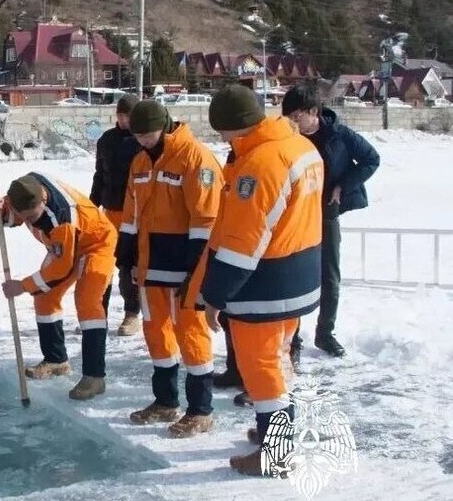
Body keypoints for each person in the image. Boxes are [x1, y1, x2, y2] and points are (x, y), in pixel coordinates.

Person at [192, 84, 324, 475]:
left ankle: (276, 453)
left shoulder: (260, 165)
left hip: (265, 285)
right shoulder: (299, 146)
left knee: (260, 368)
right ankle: (278, 432)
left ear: (234, 125)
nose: (221, 139)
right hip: (297, 276)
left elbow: (243, 242)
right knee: (278, 359)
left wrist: (214, 295)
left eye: (221, 130)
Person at [117, 100, 222, 438]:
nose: (143, 141)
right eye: (138, 137)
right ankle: (165, 401)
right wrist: (126, 255)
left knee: (190, 334)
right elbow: (131, 212)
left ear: (164, 127)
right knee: (156, 332)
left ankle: (201, 410)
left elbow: (206, 219)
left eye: (147, 135)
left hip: (184, 268)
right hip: (150, 267)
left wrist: (196, 269)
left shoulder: (195, 158)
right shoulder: (139, 161)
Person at [0, 173, 113, 400]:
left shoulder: (61, 215)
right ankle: (56, 360)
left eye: (32, 217)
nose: (29, 221)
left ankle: (94, 376)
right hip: (62, 247)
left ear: (43, 200)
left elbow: (61, 268)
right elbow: (11, 217)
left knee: (87, 302)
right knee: (44, 296)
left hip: (95, 243)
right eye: (24, 217)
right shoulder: (21, 192)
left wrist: (23, 285)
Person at [282, 83, 379, 358]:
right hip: (296, 214)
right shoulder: (288, 139)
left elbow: (371, 159)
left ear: (314, 112)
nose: (293, 123)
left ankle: (325, 333)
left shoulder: (339, 134)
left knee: (330, 275)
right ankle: (292, 339)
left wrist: (342, 186)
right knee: (294, 276)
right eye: (288, 118)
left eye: (297, 117)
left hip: (326, 211)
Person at [89, 95, 143, 336]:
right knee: (102, 263)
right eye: (120, 115)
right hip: (109, 213)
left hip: (135, 215)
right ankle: (98, 312)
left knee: (128, 265)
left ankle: (131, 314)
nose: (123, 120)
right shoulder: (106, 140)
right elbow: (99, 176)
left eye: (127, 116)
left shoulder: (143, 141)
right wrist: (92, 207)